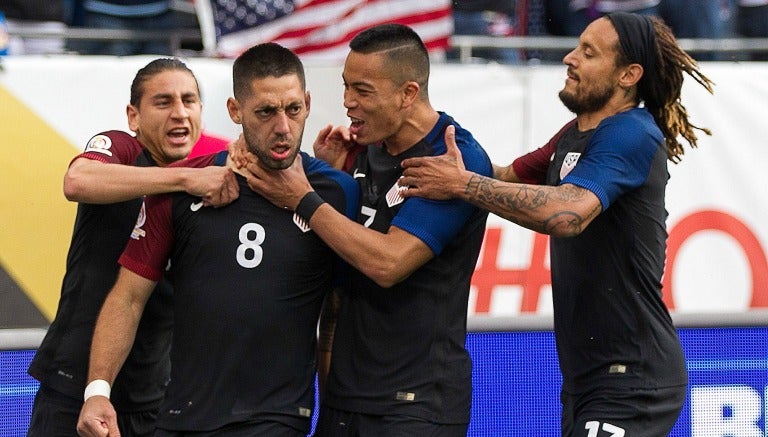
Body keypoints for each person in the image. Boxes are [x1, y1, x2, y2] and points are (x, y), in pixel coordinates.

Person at [400, 12, 715, 436]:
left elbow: (566, 214)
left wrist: (463, 184)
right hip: (587, 378)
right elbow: (503, 177)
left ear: (629, 75)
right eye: (576, 45)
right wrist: (421, 151)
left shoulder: (631, 133)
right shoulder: (574, 134)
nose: (570, 58)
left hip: (632, 377)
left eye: (589, 52)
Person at [76, 42, 359, 437]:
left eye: (293, 109)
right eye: (265, 112)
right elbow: (128, 295)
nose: (282, 127)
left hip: (274, 420)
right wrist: (97, 391)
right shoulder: (188, 184)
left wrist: (335, 417)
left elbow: (337, 313)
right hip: (180, 418)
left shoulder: (336, 192)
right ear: (235, 111)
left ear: (308, 103)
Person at [239, 23, 493, 436]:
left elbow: (388, 262)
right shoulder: (363, 151)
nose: (347, 103)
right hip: (345, 399)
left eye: (362, 90)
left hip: (415, 406)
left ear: (407, 94)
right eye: (345, 87)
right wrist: (329, 175)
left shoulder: (454, 161)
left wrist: (305, 197)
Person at [26, 57, 239, 437]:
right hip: (73, 390)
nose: (179, 112)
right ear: (133, 116)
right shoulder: (124, 149)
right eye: (163, 102)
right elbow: (77, 180)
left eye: (189, 101)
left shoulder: (208, 180)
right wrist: (183, 179)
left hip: (155, 398)